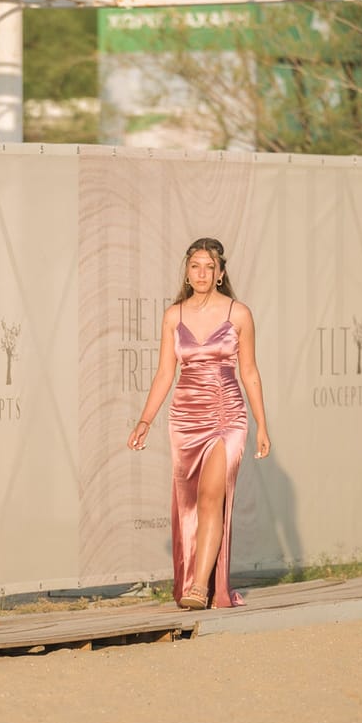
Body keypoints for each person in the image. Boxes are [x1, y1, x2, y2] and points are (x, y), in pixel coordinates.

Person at [127, 237, 271, 610]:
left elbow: (250, 372)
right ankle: (199, 582)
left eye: (210, 267)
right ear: (187, 273)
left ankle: (198, 586)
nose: (202, 273)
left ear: (221, 273)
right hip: (185, 418)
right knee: (188, 503)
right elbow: (164, 373)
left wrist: (262, 424)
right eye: (196, 266)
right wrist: (145, 420)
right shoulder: (173, 315)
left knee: (211, 498)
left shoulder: (238, 314)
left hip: (227, 415)